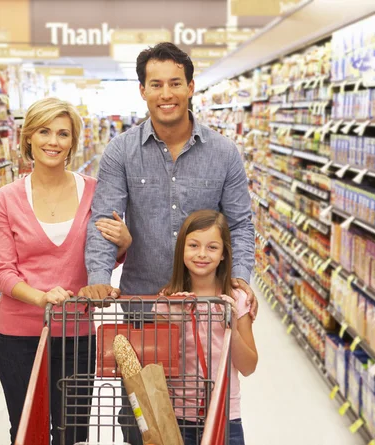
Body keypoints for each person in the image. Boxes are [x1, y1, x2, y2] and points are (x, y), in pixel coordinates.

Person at [81, 41, 258, 444]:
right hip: (144, 307)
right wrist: (98, 277)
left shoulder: (224, 153)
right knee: (146, 424)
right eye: (156, 84)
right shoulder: (121, 152)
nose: (166, 94)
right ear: (142, 90)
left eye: (175, 83)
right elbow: (103, 222)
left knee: (209, 414)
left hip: (207, 309)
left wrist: (240, 280)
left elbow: (242, 225)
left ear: (191, 87)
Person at [0, 97, 129, 445]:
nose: (53, 141)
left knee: (72, 434)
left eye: (63, 133)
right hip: (18, 337)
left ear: (73, 142)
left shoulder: (95, 192)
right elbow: (2, 272)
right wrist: (41, 297)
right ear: (28, 139)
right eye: (44, 131)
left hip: (76, 333)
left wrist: (125, 244)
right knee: (27, 432)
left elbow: (104, 256)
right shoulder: (6, 198)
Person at [156, 209, 258, 445]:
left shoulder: (237, 299)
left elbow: (249, 367)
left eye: (212, 247)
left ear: (223, 254)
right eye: (193, 245)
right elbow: (158, 368)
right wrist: (177, 321)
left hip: (226, 416)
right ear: (181, 249)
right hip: (178, 417)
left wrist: (230, 324)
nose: (202, 254)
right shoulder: (167, 300)